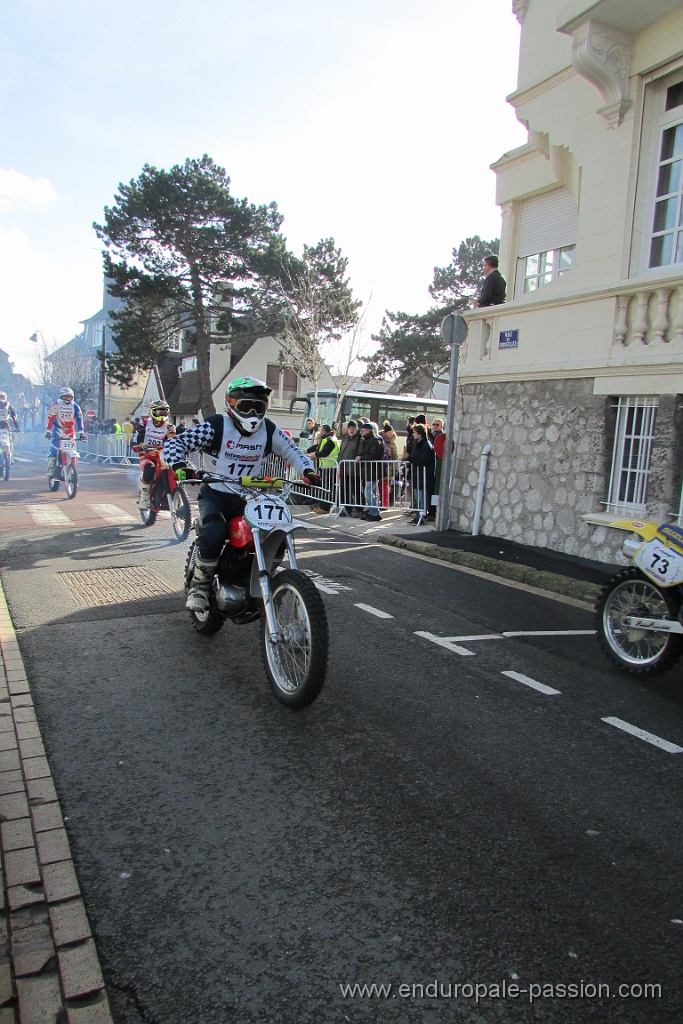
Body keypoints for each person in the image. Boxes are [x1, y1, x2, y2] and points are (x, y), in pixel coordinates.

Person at [163, 377, 320, 612]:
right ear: (231, 404)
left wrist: (308, 470)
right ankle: (200, 586)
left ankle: (263, 577)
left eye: (260, 407)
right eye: (247, 407)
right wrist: (180, 465)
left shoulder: (269, 430)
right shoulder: (216, 425)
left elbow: (292, 450)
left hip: (251, 496)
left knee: (274, 530)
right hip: (216, 493)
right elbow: (176, 444)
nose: (254, 413)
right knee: (214, 532)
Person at [133, 400, 176, 510]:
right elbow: (137, 437)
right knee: (149, 469)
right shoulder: (145, 424)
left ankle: (175, 495)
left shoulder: (170, 427)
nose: (161, 415)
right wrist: (138, 445)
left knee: (174, 469)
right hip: (147, 455)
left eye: (164, 413)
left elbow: (173, 441)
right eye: (158, 412)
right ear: (152, 413)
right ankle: (144, 498)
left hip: (163, 455)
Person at [45, 388, 86, 476]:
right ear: (61, 397)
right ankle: (51, 468)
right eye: (64, 397)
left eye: (69, 397)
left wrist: (82, 433)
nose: (67, 399)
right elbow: (50, 418)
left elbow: (79, 420)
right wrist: (48, 431)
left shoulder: (75, 406)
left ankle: (73, 468)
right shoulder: (56, 405)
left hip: (70, 430)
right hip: (58, 429)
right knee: (54, 448)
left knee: (72, 448)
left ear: (72, 397)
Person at [356, 420, 384, 522]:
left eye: (363, 431)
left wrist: (362, 458)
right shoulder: (368, 441)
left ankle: (374, 512)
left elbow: (374, 456)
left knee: (368, 492)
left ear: (368, 431)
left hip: (373, 470)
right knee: (371, 492)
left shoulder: (375, 441)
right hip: (369, 470)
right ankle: (373, 511)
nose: (361, 433)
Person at [308, 424, 340, 514]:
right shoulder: (326, 439)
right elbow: (317, 447)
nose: (320, 432)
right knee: (326, 488)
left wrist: (315, 455)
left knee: (328, 488)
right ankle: (323, 505)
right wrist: (307, 451)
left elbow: (324, 452)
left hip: (330, 467)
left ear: (324, 431)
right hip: (326, 467)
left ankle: (325, 507)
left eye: (321, 430)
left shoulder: (330, 440)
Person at [408, 423, 436, 525]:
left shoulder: (426, 446)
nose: (413, 434)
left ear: (420, 434)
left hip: (423, 476)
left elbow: (421, 461)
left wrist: (409, 459)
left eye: (414, 432)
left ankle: (421, 516)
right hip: (417, 474)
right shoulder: (417, 444)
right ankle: (417, 516)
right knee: (416, 496)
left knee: (421, 497)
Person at [338, 419, 361, 515]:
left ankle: (359, 509)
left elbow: (359, 453)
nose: (351, 430)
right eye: (350, 428)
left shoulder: (359, 439)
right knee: (345, 490)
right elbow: (341, 452)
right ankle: (346, 508)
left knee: (356, 490)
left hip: (354, 470)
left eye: (353, 428)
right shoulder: (345, 438)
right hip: (344, 469)